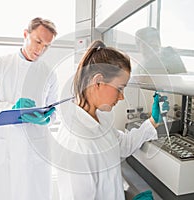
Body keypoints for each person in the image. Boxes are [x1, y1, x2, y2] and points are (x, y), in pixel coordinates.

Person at [53, 40, 169, 200]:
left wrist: (153, 121)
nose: (122, 97)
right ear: (98, 81)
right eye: (120, 88)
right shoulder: (76, 142)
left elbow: (122, 145)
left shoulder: (99, 119)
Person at [0, 17, 58, 200]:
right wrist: (11, 108)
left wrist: (47, 118)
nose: (41, 49)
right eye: (38, 41)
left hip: (34, 152)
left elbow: (54, 110)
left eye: (46, 45)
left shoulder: (49, 73)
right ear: (25, 34)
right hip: (5, 150)